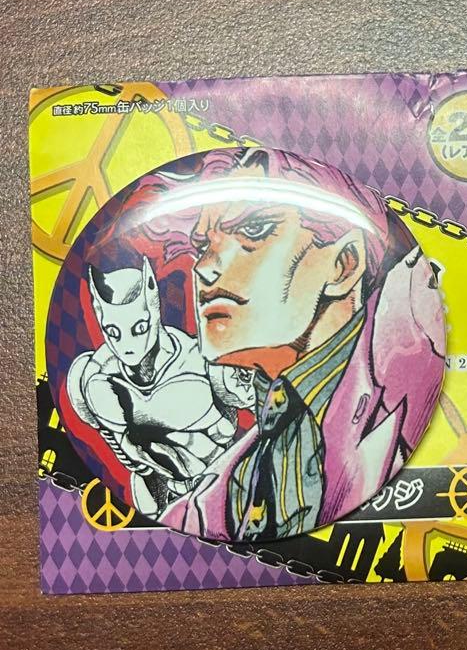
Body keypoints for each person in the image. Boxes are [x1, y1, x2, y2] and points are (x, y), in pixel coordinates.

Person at [137, 147, 444, 541]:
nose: (204, 267)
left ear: (344, 264)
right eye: (203, 246)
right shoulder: (209, 504)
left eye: (253, 231)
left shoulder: (416, 351)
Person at [66, 257, 253, 518]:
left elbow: (271, 413)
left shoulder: (203, 359)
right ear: (99, 313)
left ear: (153, 309)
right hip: (158, 502)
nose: (126, 346)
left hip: (226, 489)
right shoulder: (93, 376)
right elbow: (127, 453)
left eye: (139, 328)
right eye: (113, 332)